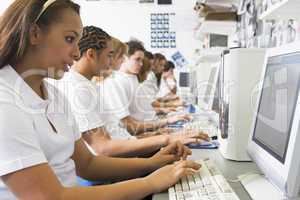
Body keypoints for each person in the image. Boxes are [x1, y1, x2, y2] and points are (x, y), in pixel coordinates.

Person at [0, 1, 201, 199]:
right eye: (69, 39)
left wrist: (154, 163)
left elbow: (87, 164)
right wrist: (151, 181)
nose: (77, 53)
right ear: (34, 33)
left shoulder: (53, 94)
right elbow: (50, 196)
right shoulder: (6, 101)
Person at [53, 25, 209, 157]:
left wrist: (156, 136)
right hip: (116, 163)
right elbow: (102, 148)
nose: (112, 62)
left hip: (125, 152)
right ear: (91, 54)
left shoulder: (89, 85)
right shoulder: (79, 88)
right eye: (110, 56)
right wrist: (166, 139)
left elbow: (117, 133)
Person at [102, 40, 190, 136]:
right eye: (137, 59)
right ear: (124, 58)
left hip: (152, 126)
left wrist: (165, 121)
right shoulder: (116, 82)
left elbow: (144, 110)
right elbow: (130, 126)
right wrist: (165, 123)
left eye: (142, 60)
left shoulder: (133, 78)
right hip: (146, 131)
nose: (141, 64)